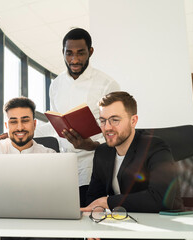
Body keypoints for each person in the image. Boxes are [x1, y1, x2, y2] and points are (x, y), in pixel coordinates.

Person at [36, 28, 120, 207]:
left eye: (80, 53)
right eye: (69, 53)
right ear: (63, 53)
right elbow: (54, 124)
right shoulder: (56, 85)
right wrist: (26, 133)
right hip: (65, 167)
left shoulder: (107, 84)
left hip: (94, 165)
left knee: (94, 226)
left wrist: (93, 145)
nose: (74, 59)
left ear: (90, 51)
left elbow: (117, 130)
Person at [81, 91, 182, 213]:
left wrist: (107, 202)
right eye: (103, 121)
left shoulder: (155, 147)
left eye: (115, 120)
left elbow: (160, 199)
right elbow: (93, 199)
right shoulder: (102, 152)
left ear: (133, 121)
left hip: (162, 224)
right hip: (120, 224)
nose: (107, 127)